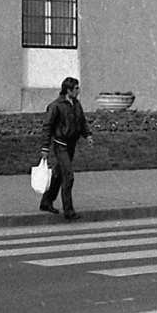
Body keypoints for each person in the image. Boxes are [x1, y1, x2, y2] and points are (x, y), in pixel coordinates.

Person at [39, 76, 93, 221]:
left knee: (58, 174)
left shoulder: (76, 104)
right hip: (60, 144)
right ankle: (68, 210)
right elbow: (47, 126)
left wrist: (87, 134)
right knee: (68, 175)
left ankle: (46, 201)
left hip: (71, 144)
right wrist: (45, 147)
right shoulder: (56, 105)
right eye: (76, 88)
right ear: (68, 89)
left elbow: (81, 120)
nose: (78, 91)